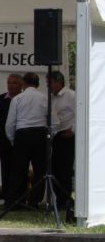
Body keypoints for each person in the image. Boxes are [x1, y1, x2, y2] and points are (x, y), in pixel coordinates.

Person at [4, 72, 48, 207]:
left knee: (18, 169)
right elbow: (54, 121)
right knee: (40, 169)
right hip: (40, 133)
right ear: (38, 84)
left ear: (23, 84)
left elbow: (10, 123)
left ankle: (15, 201)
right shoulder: (45, 98)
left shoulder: (17, 99)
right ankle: (35, 201)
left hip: (22, 133)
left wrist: (13, 139)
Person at [0, 74, 23, 201]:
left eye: (14, 83)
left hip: (20, 140)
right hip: (3, 140)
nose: (10, 85)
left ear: (21, 85)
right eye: (9, 83)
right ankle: (8, 198)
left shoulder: (24, 99)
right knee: (6, 168)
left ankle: (19, 197)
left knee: (19, 169)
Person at [48, 70, 76, 217]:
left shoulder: (71, 95)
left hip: (67, 135)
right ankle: (58, 200)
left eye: (50, 83)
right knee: (55, 169)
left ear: (58, 82)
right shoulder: (52, 98)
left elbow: (81, 112)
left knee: (64, 169)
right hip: (56, 137)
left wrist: (74, 130)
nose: (48, 86)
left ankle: (65, 201)